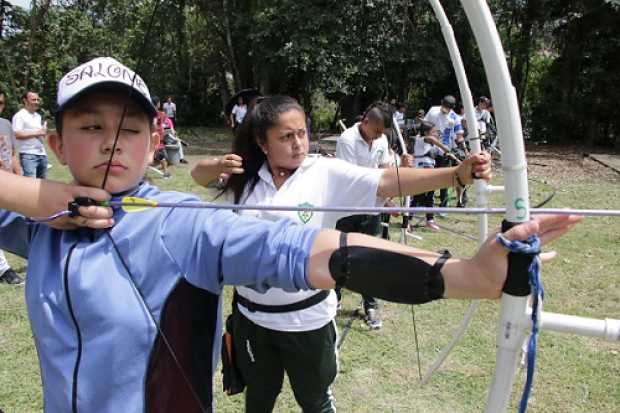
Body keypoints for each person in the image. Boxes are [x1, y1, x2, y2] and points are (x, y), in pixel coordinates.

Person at [0, 57, 579, 413]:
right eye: (90, 126)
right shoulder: (41, 224)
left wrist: (459, 274)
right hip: (252, 324)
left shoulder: (180, 224)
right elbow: (209, 175)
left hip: (303, 319)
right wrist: (33, 198)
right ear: (55, 143)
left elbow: (309, 249)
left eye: (130, 129)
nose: (109, 143)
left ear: (154, 141)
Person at [191, 95, 491, 412]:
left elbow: (386, 181)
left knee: (315, 402)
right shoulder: (245, 177)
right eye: (286, 137)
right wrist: (218, 165)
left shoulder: (323, 172)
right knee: (259, 400)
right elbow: (199, 177)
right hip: (251, 320)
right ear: (262, 143)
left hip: (306, 322)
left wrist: (455, 174)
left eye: (302, 133)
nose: (298, 144)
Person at [335, 102, 412, 329]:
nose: (379, 136)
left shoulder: (381, 139)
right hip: (347, 210)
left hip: (372, 210)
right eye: (377, 131)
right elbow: (353, 180)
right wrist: (385, 192)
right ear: (366, 122)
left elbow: (385, 171)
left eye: (382, 133)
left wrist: (400, 170)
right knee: (342, 254)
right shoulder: (347, 140)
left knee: (370, 258)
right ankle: (335, 297)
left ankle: (370, 304)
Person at [0, 89, 24, 285]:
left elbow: (13, 152)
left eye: (1, 103)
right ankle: (4, 269)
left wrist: (19, 175)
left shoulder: (6, 124)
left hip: (9, 183)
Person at [425, 95, 466, 208]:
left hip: (446, 151)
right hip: (430, 149)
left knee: (444, 177)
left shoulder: (455, 118)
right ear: (441, 102)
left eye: (448, 108)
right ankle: (426, 201)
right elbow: (424, 126)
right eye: (444, 106)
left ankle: (443, 204)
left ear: (452, 108)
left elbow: (459, 135)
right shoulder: (433, 110)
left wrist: (463, 146)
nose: (445, 109)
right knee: (430, 176)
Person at [410, 120, 446, 231]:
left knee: (429, 196)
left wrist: (446, 153)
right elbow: (431, 139)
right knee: (417, 197)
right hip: (421, 170)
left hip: (430, 170)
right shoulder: (421, 139)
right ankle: (407, 221)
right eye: (433, 131)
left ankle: (429, 220)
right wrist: (445, 148)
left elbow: (438, 150)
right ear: (426, 132)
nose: (435, 134)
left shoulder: (430, 143)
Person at [12, 90, 48, 178]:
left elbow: (38, 134)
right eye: (33, 100)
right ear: (25, 100)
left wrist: (43, 131)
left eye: (37, 100)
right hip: (28, 155)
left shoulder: (38, 116)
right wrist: (37, 132)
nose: (36, 102)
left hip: (42, 154)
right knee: (30, 185)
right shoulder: (19, 116)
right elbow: (17, 134)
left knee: (42, 185)